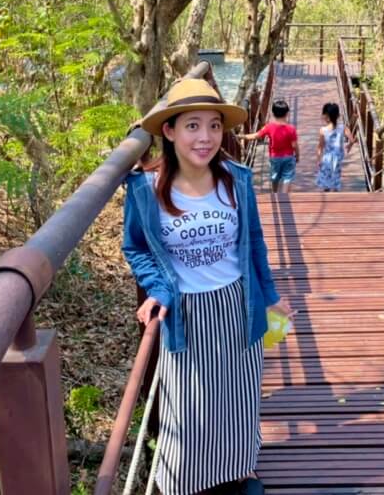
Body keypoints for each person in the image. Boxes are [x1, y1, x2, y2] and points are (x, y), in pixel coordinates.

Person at [122, 77, 293, 495]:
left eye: (214, 126)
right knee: (191, 407)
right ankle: (188, 483)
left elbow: (254, 244)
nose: (206, 137)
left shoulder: (236, 179)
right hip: (188, 314)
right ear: (169, 130)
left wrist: (271, 297)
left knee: (239, 398)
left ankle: (239, 472)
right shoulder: (145, 188)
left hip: (238, 304)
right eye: (193, 125)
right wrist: (158, 289)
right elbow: (136, 248)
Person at [239, 99, 299, 194]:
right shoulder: (291, 129)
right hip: (288, 157)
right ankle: (283, 195)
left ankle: (275, 193)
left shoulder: (269, 127)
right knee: (287, 177)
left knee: (275, 177)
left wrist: (242, 136)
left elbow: (256, 136)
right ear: (287, 113)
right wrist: (297, 156)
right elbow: (294, 145)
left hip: (274, 157)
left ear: (273, 113)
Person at [315, 102, 353, 192]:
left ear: (326, 116)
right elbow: (352, 139)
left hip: (327, 158)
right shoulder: (343, 128)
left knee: (326, 180)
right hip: (338, 158)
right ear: (338, 116)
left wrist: (318, 160)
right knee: (336, 178)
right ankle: (335, 195)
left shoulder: (322, 130)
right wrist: (349, 147)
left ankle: (327, 194)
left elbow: (320, 147)